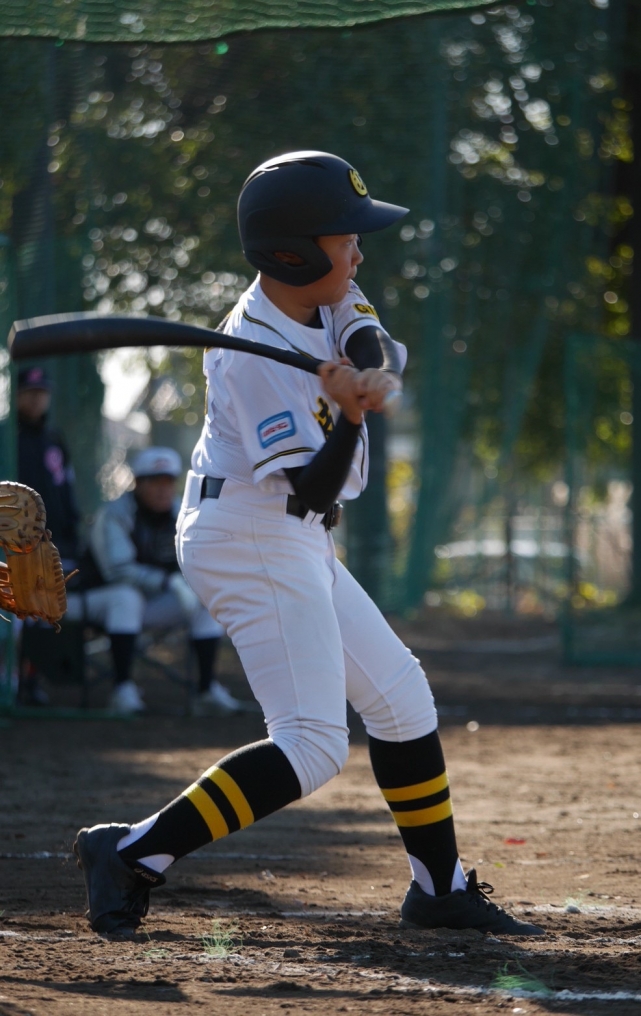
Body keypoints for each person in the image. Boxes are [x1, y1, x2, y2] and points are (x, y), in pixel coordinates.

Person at [74, 151, 543, 938]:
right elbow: (314, 488)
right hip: (247, 534)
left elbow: (366, 333)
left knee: (401, 697)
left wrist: (371, 376)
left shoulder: (323, 291)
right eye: (343, 237)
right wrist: (351, 417)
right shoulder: (248, 355)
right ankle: (129, 853)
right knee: (314, 744)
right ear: (292, 253)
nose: (358, 251)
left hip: (288, 532)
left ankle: (439, 890)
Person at [68, 446, 247, 716]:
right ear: (138, 483)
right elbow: (118, 572)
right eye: (155, 482)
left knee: (205, 597)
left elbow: (201, 558)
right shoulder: (114, 514)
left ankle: (207, 690)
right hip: (95, 600)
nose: (163, 489)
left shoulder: (183, 512)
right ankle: (122, 690)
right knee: (125, 596)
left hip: (148, 604)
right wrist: (168, 582)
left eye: (168, 481)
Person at [16, 366, 81, 705]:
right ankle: (12, 681)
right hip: (12, 545)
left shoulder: (54, 438)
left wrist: (71, 532)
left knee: (42, 612)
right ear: (17, 395)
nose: (36, 398)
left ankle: (30, 680)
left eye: (41, 392)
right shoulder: (6, 436)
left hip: (52, 543)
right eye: (30, 392)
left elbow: (65, 489)